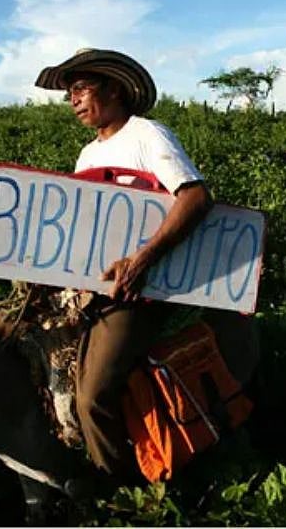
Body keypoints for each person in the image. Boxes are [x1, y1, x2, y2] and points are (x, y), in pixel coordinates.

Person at [34, 48, 213, 484]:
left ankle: (117, 490)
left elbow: (194, 197)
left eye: (80, 89)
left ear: (113, 88)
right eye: (69, 94)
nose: (73, 101)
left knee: (91, 395)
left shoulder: (147, 135)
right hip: (94, 287)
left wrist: (141, 261)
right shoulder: (86, 155)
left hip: (141, 289)